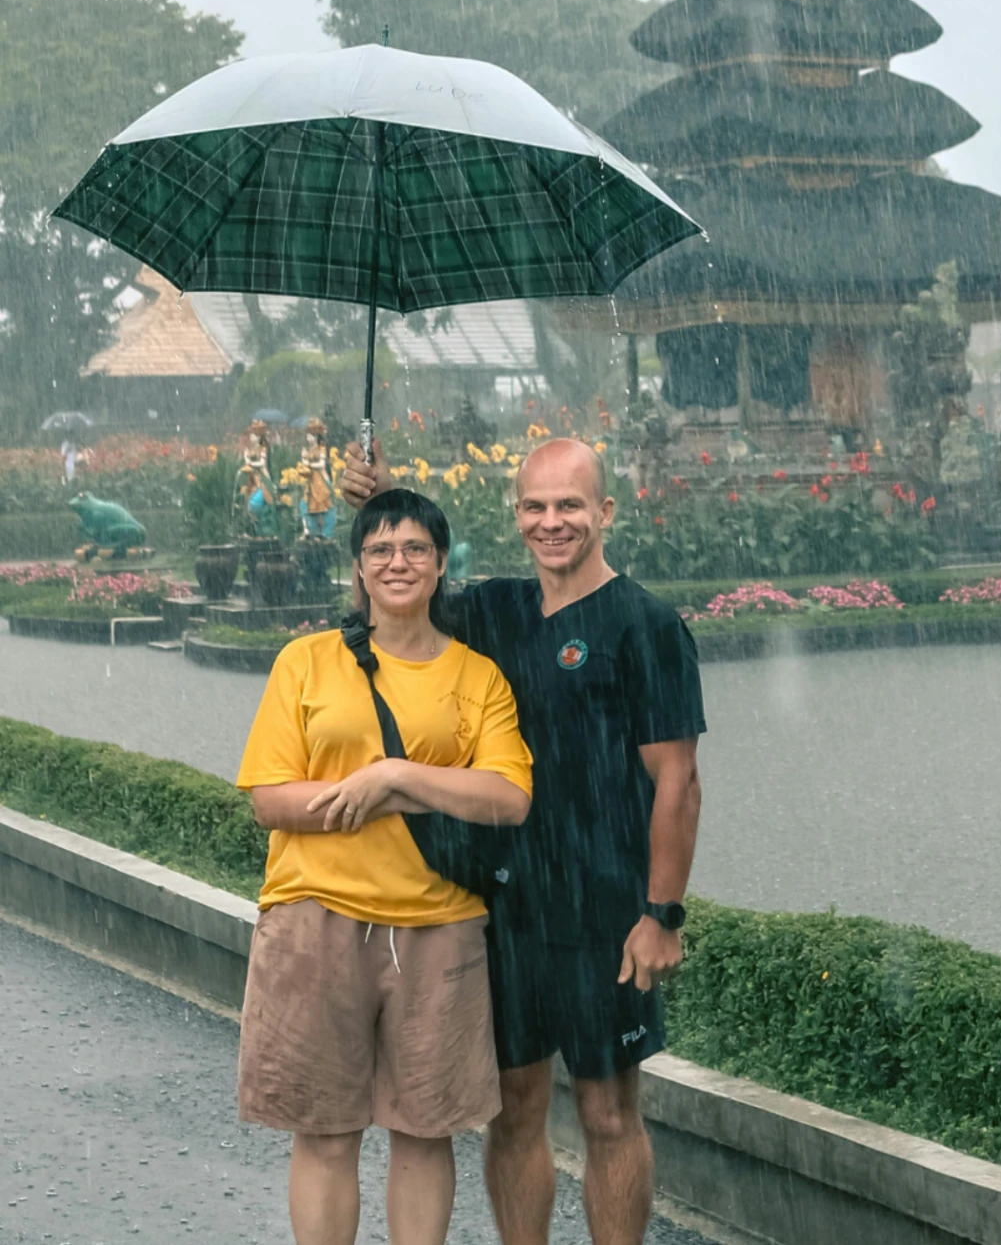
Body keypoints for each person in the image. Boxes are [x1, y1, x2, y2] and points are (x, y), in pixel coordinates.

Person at [341, 436, 705, 1245]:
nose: (552, 522)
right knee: (512, 1110)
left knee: (608, 1113)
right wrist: (381, 504)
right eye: (535, 507)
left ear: (605, 511)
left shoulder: (645, 625)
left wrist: (661, 914)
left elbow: (678, 783)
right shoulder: (496, 612)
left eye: (570, 505)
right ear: (515, 516)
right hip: (505, 904)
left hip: (605, 910)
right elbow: (397, 595)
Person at [235, 487, 534, 1245]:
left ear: (441, 564)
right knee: (325, 1131)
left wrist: (395, 778)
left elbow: (508, 797)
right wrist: (388, 794)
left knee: (425, 1132)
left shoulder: (478, 676)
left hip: (440, 926)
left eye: (415, 549)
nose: (398, 563)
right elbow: (271, 798)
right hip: (316, 918)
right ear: (359, 568)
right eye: (380, 549)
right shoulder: (306, 661)